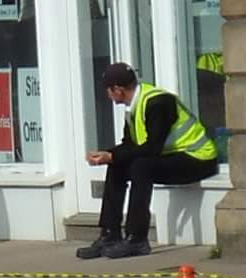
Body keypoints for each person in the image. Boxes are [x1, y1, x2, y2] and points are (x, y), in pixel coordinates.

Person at [77, 62, 219, 260]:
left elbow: (152, 148)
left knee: (141, 167)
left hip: (198, 158)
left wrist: (113, 156)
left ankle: (137, 238)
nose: (107, 95)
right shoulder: (134, 107)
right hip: (175, 157)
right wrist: (107, 155)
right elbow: (129, 145)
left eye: (108, 90)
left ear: (118, 89)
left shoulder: (158, 103)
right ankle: (110, 234)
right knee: (117, 166)